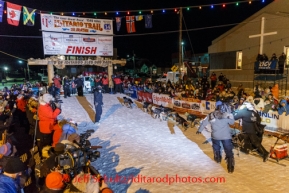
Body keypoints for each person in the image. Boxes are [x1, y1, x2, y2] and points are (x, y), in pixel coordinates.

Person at [197, 101, 235, 173]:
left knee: (216, 147)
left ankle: (217, 159)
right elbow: (232, 122)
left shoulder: (211, 115)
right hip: (226, 136)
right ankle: (230, 167)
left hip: (215, 136)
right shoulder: (226, 114)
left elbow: (204, 122)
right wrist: (231, 115)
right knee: (228, 151)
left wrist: (200, 130)